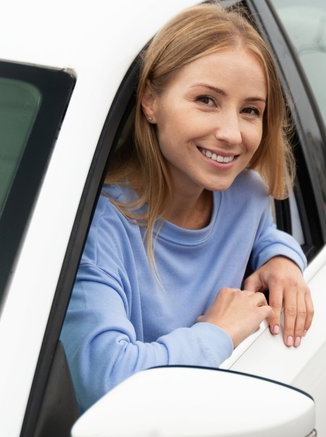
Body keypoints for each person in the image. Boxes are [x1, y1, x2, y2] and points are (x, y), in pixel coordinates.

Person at [61, 4, 313, 411]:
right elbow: (106, 380)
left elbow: (263, 232)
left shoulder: (246, 193)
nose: (232, 133)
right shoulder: (100, 228)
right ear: (150, 101)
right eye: (206, 100)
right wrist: (218, 331)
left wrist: (282, 258)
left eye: (250, 110)